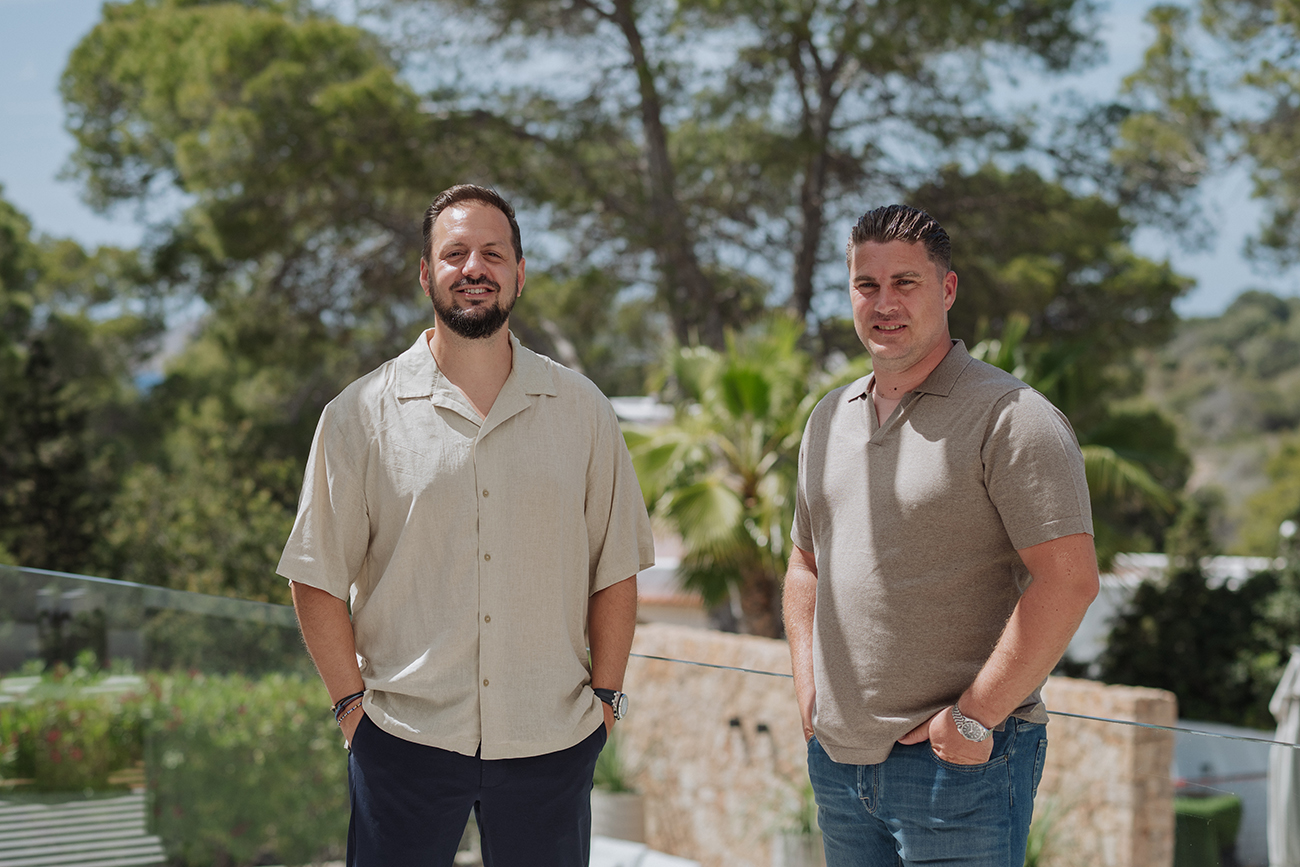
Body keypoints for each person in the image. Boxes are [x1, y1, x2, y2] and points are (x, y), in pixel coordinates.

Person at [277, 184, 655, 867]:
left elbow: (616, 566)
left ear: (519, 272)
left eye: (492, 252)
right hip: (402, 741)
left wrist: (605, 701)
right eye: (454, 253)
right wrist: (351, 713)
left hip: (552, 742)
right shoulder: (359, 414)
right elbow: (314, 576)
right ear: (426, 272)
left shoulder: (583, 410)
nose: (473, 268)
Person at [783, 204, 1100, 866]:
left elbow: (1069, 580)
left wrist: (974, 717)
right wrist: (808, 685)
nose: (884, 302)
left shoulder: (1012, 418)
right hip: (840, 768)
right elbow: (805, 562)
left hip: (960, 769)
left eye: (906, 282)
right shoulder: (826, 419)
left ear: (947, 289)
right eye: (867, 285)